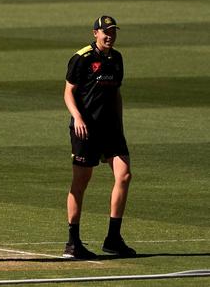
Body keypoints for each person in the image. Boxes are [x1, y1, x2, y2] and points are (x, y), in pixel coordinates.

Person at [63, 15, 137, 259]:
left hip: (111, 129)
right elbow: (68, 93)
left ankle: (113, 238)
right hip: (86, 129)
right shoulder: (82, 58)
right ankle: (73, 243)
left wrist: (121, 124)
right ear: (95, 32)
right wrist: (78, 119)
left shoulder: (117, 59)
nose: (109, 36)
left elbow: (116, 94)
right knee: (81, 183)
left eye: (113, 32)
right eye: (105, 31)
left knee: (124, 174)